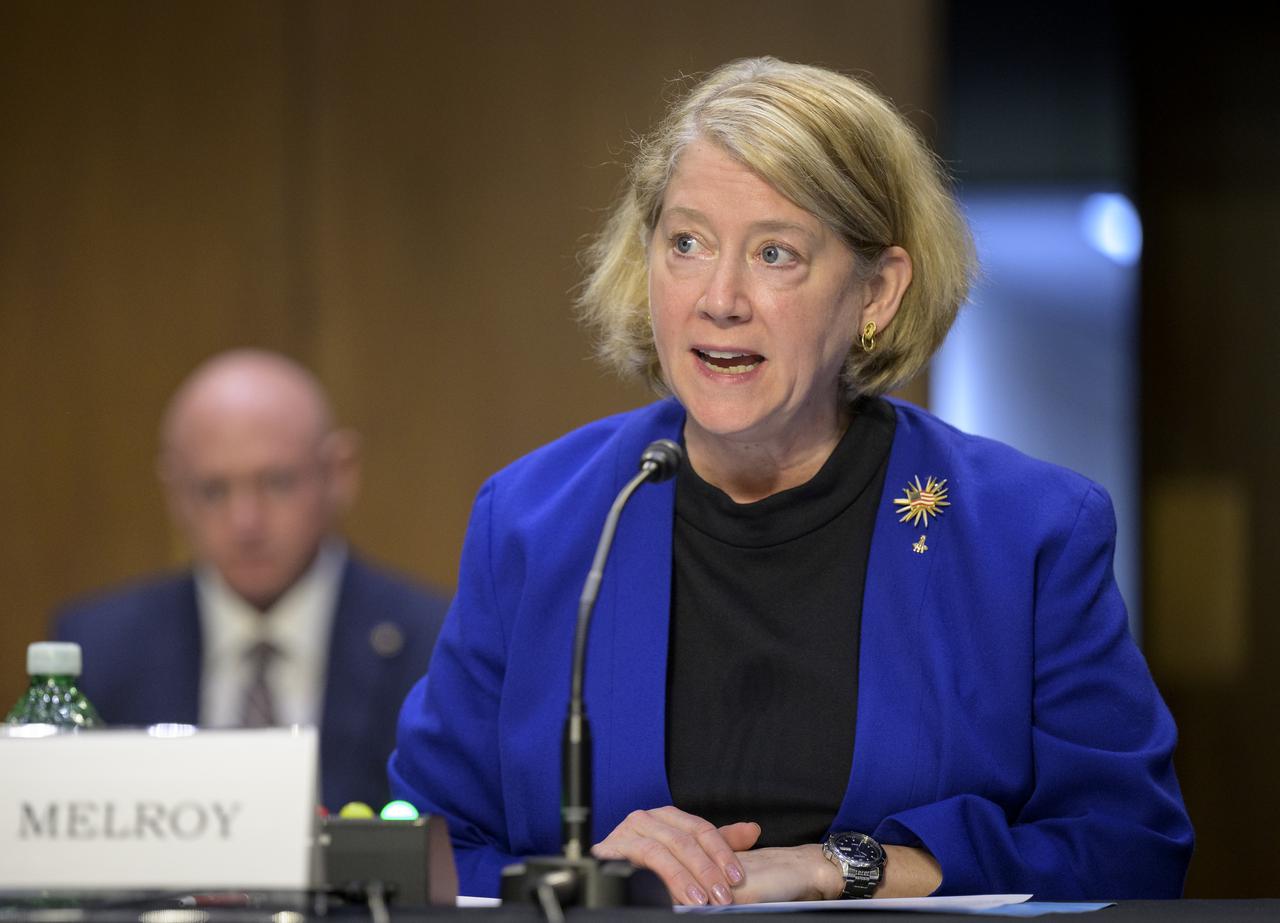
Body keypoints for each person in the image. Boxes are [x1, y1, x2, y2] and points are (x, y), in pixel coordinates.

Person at [390, 58, 1193, 903]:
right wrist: (584, 879)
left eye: (775, 253)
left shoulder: (1027, 530)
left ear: (876, 292)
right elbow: (418, 848)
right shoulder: (534, 518)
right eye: (687, 244)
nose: (720, 298)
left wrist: (837, 866)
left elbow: (1131, 845)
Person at [56, 349, 449, 810]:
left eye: (277, 482)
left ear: (339, 474)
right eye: (213, 490)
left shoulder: (432, 645)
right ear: (174, 494)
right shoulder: (101, 650)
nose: (246, 523)